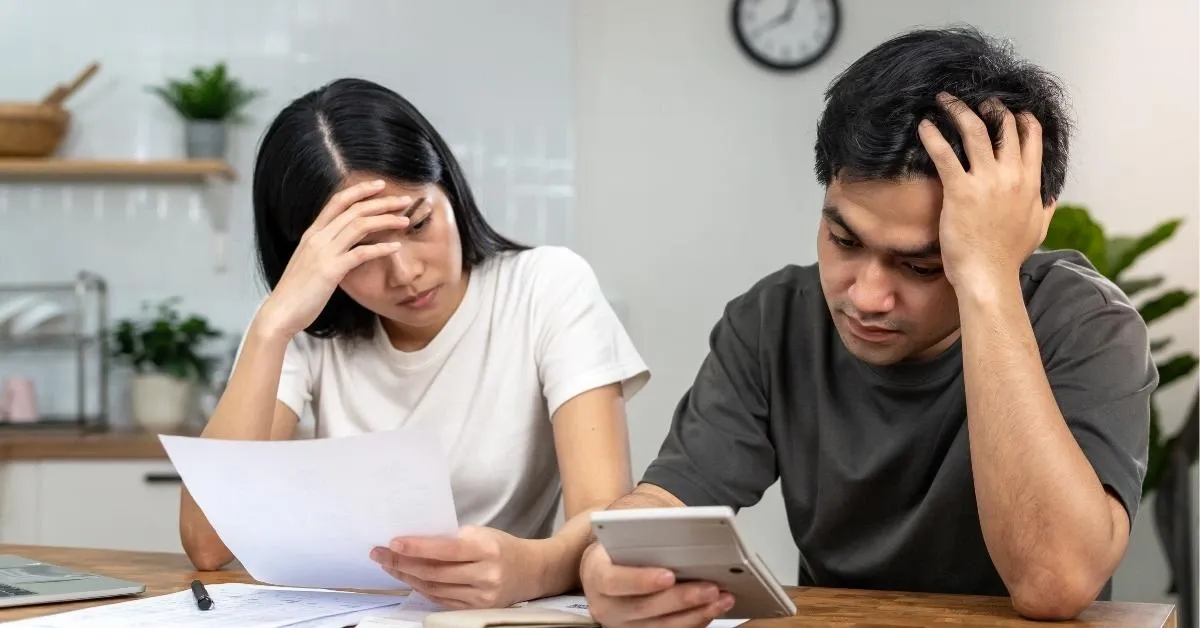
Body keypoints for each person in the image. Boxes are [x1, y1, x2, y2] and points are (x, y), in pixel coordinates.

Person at [579, 26, 1155, 627]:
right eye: (844, 240)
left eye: (923, 264)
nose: (866, 296)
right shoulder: (772, 320)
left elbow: (1053, 583)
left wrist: (986, 278)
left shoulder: (1086, 324)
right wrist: (610, 564)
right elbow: (665, 503)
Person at [178, 78, 650, 610]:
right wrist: (271, 328)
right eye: (360, 251)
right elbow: (208, 545)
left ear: (449, 187)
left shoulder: (547, 286)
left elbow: (605, 518)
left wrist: (532, 569)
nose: (404, 273)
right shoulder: (301, 328)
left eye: (418, 222)